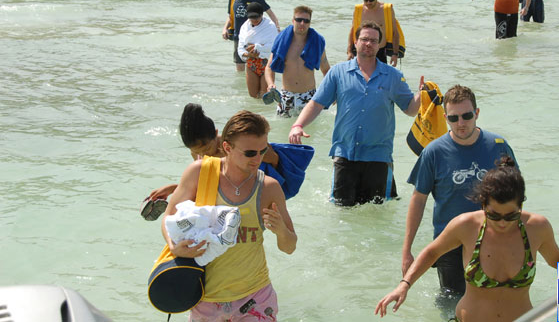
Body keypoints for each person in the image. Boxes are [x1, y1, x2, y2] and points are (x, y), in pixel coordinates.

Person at [377, 156, 559, 322]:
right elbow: (433, 252)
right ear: (483, 204)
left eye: (511, 216)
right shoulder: (466, 226)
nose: (502, 223)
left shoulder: (537, 227)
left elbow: (558, 259)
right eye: (494, 215)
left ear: (521, 205)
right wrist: (404, 284)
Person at [162, 110, 296, 322]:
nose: (258, 159)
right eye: (250, 153)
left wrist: (281, 231)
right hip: (205, 299)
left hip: (256, 298)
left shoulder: (269, 187)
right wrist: (173, 247)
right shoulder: (199, 173)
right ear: (227, 147)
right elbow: (168, 218)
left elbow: (289, 247)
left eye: (263, 151)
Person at [401, 85, 518, 301]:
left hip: (493, 240)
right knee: (452, 304)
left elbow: (515, 198)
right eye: (454, 118)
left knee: (496, 303)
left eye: (466, 116)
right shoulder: (433, 153)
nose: (461, 123)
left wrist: (515, 238)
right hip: (448, 246)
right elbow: (418, 200)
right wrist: (407, 250)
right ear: (445, 118)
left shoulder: (499, 147)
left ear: (477, 113)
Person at [289, 22, 423, 206]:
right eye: (365, 39)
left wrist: (421, 95)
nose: (369, 44)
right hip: (345, 154)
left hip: (379, 157)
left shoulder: (393, 76)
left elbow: (409, 109)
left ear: (379, 45)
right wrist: (298, 125)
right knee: (342, 213)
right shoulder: (338, 72)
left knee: (378, 215)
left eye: (374, 41)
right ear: (355, 41)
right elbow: (317, 103)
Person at [146, 103, 280, 201]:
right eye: (197, 152)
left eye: (206, 149)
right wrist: (174, 189)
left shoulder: (237, 148)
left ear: (216, 133)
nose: (205, 155)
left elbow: (274, 160)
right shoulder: (197, 153)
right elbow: (207, 185)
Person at [264, 5, 331, 118]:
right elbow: (269, 67)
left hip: (309, 96)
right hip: (286, 96)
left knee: (311, 132)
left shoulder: (316, 43)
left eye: (306, 21)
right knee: (283, 133)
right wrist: (271, 84)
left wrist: (332, 93)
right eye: (299, 20)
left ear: (310, 23)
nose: (302, 24)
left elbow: (327, 70)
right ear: (293, 20)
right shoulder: (282, 42)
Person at [222, 0, 280, 72]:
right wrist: (224, 29)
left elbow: (270, 13)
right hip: (239, 37)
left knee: (257, 64)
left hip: (257, 36)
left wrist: (277, 28)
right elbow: (230, 17)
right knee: (240, 67)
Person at [348, 0, 404, 66]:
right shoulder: (359, 10)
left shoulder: (386, 9)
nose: (368, 3)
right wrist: (349, 51)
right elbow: (353, 31)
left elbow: (395, 33)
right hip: (361, 51)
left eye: (371, 0)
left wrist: (395, 54)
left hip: (380, 51)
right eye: (365, 0)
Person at [238, 2, 279, 99]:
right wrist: (248, 54)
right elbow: (240, 47)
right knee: (253, 95)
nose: (254, 20)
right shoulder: (244, 26)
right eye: (251, 18)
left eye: (257, 17)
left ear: (262, 15)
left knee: (264, 95)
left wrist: (257, 47)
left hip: (266, 62)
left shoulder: (270, 26)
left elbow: (274, 46)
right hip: (251, 62)